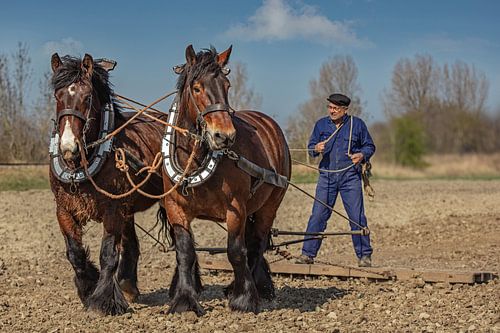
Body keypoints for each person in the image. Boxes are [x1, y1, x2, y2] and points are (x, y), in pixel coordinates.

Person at [296, 93, 375, 267]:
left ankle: (364, 256)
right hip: (327, 177)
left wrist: (362, 155)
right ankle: (307, 254)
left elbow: (370, 146)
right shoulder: (321, 125)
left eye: (335, 108)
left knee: (357, 217)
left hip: (350, 178)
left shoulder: (357, 124)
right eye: (330, 107)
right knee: (318, 215)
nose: (331, 111)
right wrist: (316, 148)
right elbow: (311, 149)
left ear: (345, 109)